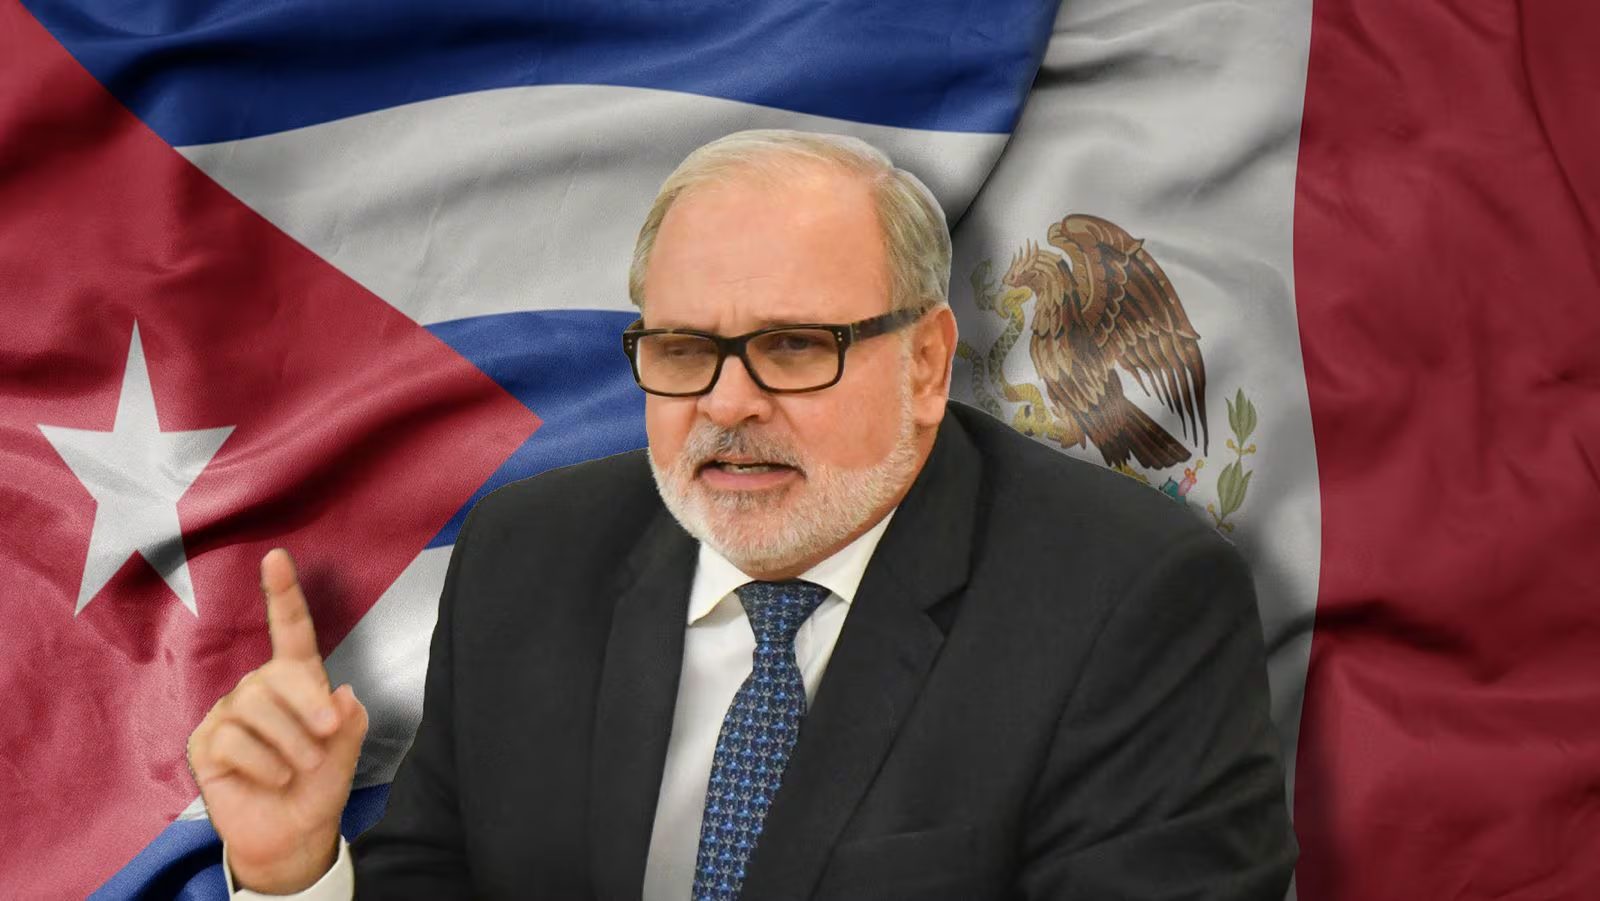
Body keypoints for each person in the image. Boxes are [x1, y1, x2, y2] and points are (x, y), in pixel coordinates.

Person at [188, 130, 1297, 900]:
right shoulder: (529, 557)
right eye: (683, 350)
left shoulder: (1131, 597)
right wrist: (294, 871)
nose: (726, 403)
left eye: (793, 346)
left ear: (925, 363)